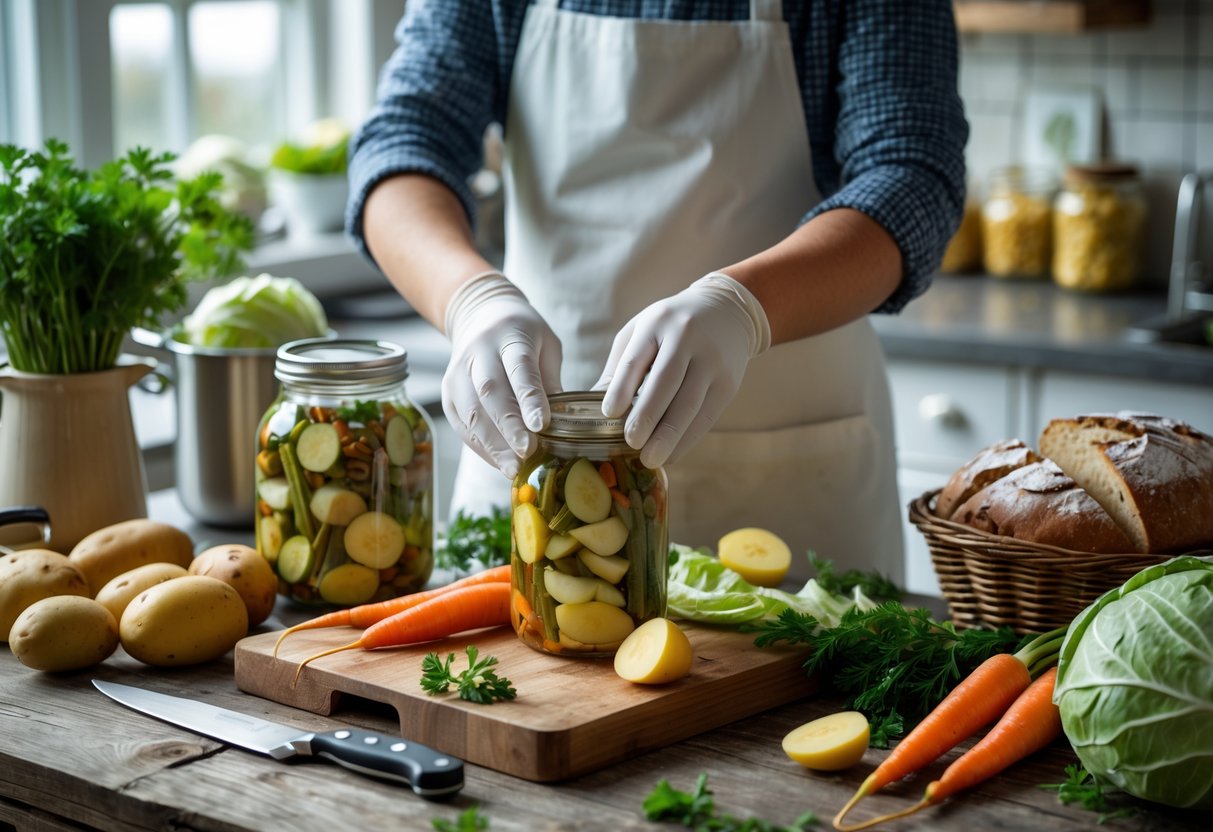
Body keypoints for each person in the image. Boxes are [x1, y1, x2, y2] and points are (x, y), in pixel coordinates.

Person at [348, 0, 968, 583]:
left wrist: (743, 309)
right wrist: (471, 299)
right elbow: (405, 139)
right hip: (539, 455)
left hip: (790, 471)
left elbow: (912, 173)